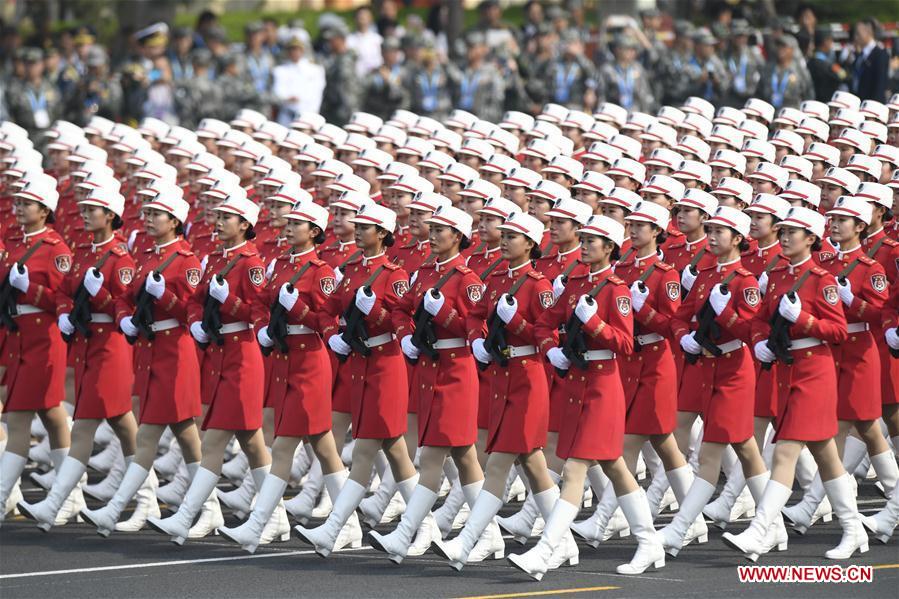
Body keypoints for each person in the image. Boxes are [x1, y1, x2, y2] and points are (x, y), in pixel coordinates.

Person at [509, 213, 664, 580]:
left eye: (593, 240)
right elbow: (546, 322)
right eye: (586, 238)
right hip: (577, 381)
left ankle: (545, 552)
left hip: (603, 384)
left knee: (575, 468)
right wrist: (551, 350)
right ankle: (650, 542)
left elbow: (626, 344)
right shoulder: (576, 282)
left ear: (610, 248)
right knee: (616, 467)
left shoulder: (616, 289)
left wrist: (595, 324)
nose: (586, 244)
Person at [724, 207, 868, 561]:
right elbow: (759, 319)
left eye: (793, 232)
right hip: (787, 371)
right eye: (783, 231)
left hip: (814, 372)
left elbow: (836, 332)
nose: (785, 238)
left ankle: (759, 532)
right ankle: (854, 530)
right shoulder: (775, 277)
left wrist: (803, 320)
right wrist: (759, 341)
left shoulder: (822, 280)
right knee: (827, 457)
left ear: (811, 239)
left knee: (785, 450)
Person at [219, 200, 345, 553]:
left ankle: (257, 525)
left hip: (310, 360)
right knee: (322, 446)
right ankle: (347, 523)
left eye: (297, 224)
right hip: (285, 358)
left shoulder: (321, 271)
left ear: (315, 232)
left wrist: (298, 308)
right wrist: (261, 327)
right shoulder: (279, 265)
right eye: (288, 223)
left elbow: (326, 322)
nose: (288, 228)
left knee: (285, 444)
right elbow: (261, 303)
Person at [433, 211, 556, 570]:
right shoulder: (498, 278)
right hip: (503, 374)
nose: (503, 240)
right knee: (532, 464)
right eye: (503, 234)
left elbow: (548, 334)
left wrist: (516, 321)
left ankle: (467, 541)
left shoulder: (539, 285)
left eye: (512, 236)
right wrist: (477, 340)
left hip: (528, 376)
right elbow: (475, 314)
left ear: (530, 244)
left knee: (500, 461)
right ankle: (561, 541)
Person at [148, 189, 268, 544]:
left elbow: (257, 313)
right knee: (251, 442)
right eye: (216, 217)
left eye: (225, 218)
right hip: (219, 353)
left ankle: (185, 518)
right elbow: (195, 301)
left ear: (245, 224)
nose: (217, 223)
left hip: (243, 355)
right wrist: (198, 320)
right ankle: (273, 515)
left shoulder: (251, 263)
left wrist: (226, 299)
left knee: (214, 439)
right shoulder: (216, 259)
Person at [80, 189, 203, 536]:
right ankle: (205, 509)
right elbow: (126, 298)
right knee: (184, 434)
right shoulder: (146, 255)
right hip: (151, 349)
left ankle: (117, 508)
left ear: (174, 222)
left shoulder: (186, 260)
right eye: (146, 214)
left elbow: (192, 312)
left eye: (156, 215)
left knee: (150, 433)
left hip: (175, 352)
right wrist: (124, 318)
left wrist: (164, 294)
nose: (147, 220)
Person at [295, 203, 414, 557]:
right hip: (359, 364)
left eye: (366, 227)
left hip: (385, 365)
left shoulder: (393, 274)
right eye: (357, 225)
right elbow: (327, 310)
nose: (358, 230)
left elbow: (400, 321)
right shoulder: (349, 271)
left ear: (382, 234)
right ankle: (422, 528)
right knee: (395, 451)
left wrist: (373, 311)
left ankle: (333, 530)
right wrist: (333, 334)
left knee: (364, 452)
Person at [369, 205, 484, 562]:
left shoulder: (468, 279)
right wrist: (405, 335)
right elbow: (402, 309)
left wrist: (445, 314)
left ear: (458, 237)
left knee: (432, 456)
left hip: (457, 370)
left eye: (440, 230)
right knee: (465, 459)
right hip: (430, 367)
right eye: (431, 229)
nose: (432, 235)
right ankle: (488, 533)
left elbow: (476, 330)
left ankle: (404, 535)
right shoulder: (423, 274)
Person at [18, 187, 137, 530]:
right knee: (123, 424)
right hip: (87, 343)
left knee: (85, 424)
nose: (84, 214)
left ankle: (54, 504)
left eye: (92, 210)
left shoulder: (119, 257)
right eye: (83, 209)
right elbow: (64, 291)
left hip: (110, 346)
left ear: (110, 216)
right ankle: (147, 496)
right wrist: (65, 311)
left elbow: (122, 305)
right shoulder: (84, 251)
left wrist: (98, 293)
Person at [660, 206, 773, 557]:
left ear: (737, 239)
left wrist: (725, 313)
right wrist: (684, 337)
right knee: (748, 452)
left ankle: (679, 530)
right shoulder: (708, 274)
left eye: (720, 231)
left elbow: (753, 330)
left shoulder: (745, 281)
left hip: (734, 370)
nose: (711, 236)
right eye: (709, 229)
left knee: (710, 454)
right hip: (708, 368)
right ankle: (775, 527)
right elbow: (680, 315)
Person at [781, 196, 897, 530]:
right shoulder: (827, 265)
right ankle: (892, 505)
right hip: (834, 352)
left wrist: (853, 302)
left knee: (848, 428)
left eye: (843, 220)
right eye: (832, 219)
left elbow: (879, 312)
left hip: (860, 351)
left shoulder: (871, 268)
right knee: (867, 430)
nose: (834, 224)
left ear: (860, 226)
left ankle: (811, 505)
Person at [0, 177, 74, 524]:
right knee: (51, 415)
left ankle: (2, 496)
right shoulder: (16, 243)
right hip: (19, 337)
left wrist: (27, 287)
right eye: (17, 202)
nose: (18, 208)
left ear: (45, 211)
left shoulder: (56, 248)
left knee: (18, 418)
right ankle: (71, 492)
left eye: (26, 203)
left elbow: (62, 299)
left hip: (44, 338)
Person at [5, 48, 62, 137]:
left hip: (48, 135)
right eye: (28, 64)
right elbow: (11, 114)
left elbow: (59, 111)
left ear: (42, 64)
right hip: (25, 134)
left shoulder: (51, 87)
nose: (31, 67)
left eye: (34, 63)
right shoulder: (15, 88)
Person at [272, 37, 326, 126]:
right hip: (287, 115)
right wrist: (286, 98)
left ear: (302, 51)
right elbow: (278, 91)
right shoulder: (280, 70)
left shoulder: (315, 70)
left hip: (308, 115)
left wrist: (313, 112)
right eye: (292, 49)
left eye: (297, 49)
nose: (295, 52)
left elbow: (317, 92)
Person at [847, 18, 889, 102]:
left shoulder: (879, 54)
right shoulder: (860, 55)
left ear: (868, 32)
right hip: (858, 102)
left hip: (871, 106)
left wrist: (872, 108)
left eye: (858, 34)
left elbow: (879, 86)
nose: (855, 37)